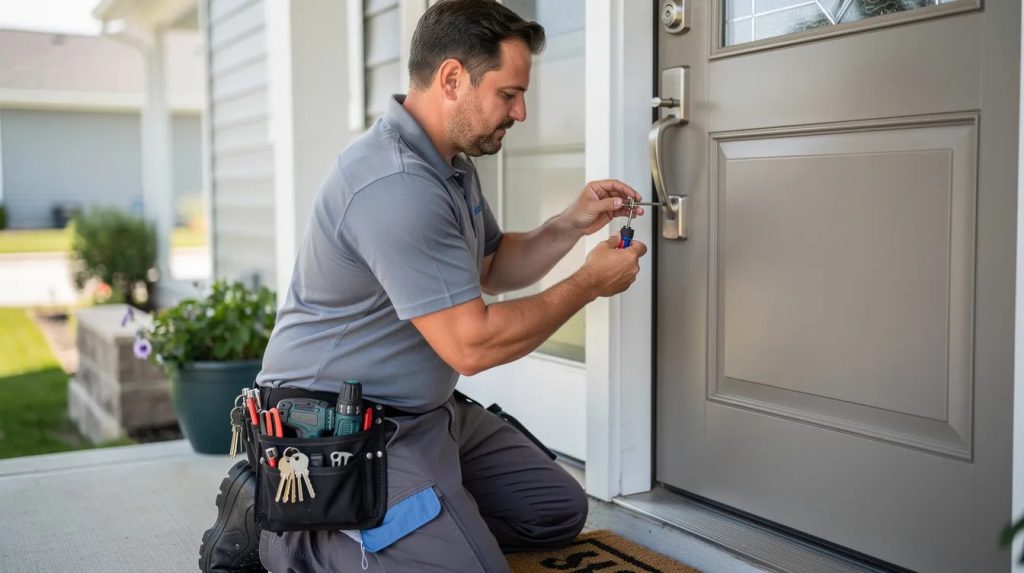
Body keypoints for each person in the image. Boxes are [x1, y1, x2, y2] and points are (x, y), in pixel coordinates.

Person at [200, 1, 647, 571]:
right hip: (338, 428)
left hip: (426, 413)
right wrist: (587, 284)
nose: (522, 111)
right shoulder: (397, 184)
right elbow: (472, 345)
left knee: (553, 511)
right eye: (509, 94)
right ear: (453, 78)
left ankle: (424, 511)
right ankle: (286, 531)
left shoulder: (449, 164)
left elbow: (491, 264)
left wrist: (570, 224)